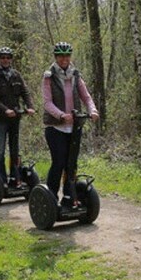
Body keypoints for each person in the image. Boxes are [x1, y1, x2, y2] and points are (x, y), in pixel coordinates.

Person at [42, 42, 99, 209]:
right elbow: (47, 102)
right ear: (56, 57)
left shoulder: (75, 75)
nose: (64, 59)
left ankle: (69, 196)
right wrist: (60, 115)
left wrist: (93, 110)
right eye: (60, 56)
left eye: (67, 56)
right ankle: (51, 199)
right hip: (55, 127)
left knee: (72, 163)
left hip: (74, 127)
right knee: (59, 162)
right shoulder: (49, 76)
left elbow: (86, 97)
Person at [0, 46, 35, 186]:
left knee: (15, 149)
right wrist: (5, 110)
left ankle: (15, 177)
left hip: (15, 119)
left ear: (11, 60)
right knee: (0, 150)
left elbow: (25, 92)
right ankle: (0, 180)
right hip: (0, 120)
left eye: (8, 57)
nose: (5, 60)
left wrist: (30, 106)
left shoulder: (16, 75)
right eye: (3, 57)